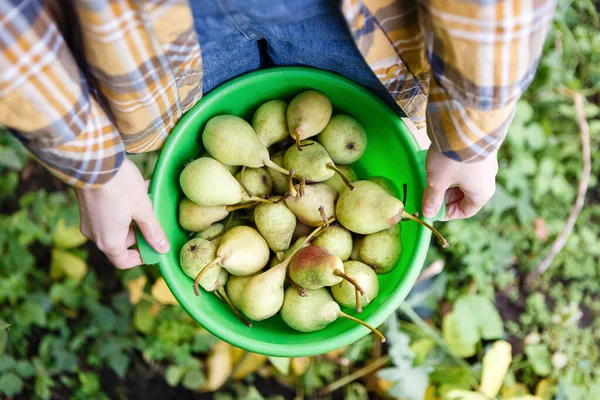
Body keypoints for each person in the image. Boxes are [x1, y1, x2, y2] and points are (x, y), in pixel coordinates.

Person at [0, 0, 556, 269]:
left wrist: (469, 133)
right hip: (146, 33)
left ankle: (398, 253)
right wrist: (95, 168)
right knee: (194, 119)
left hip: (356, 17)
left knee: (368, 102)